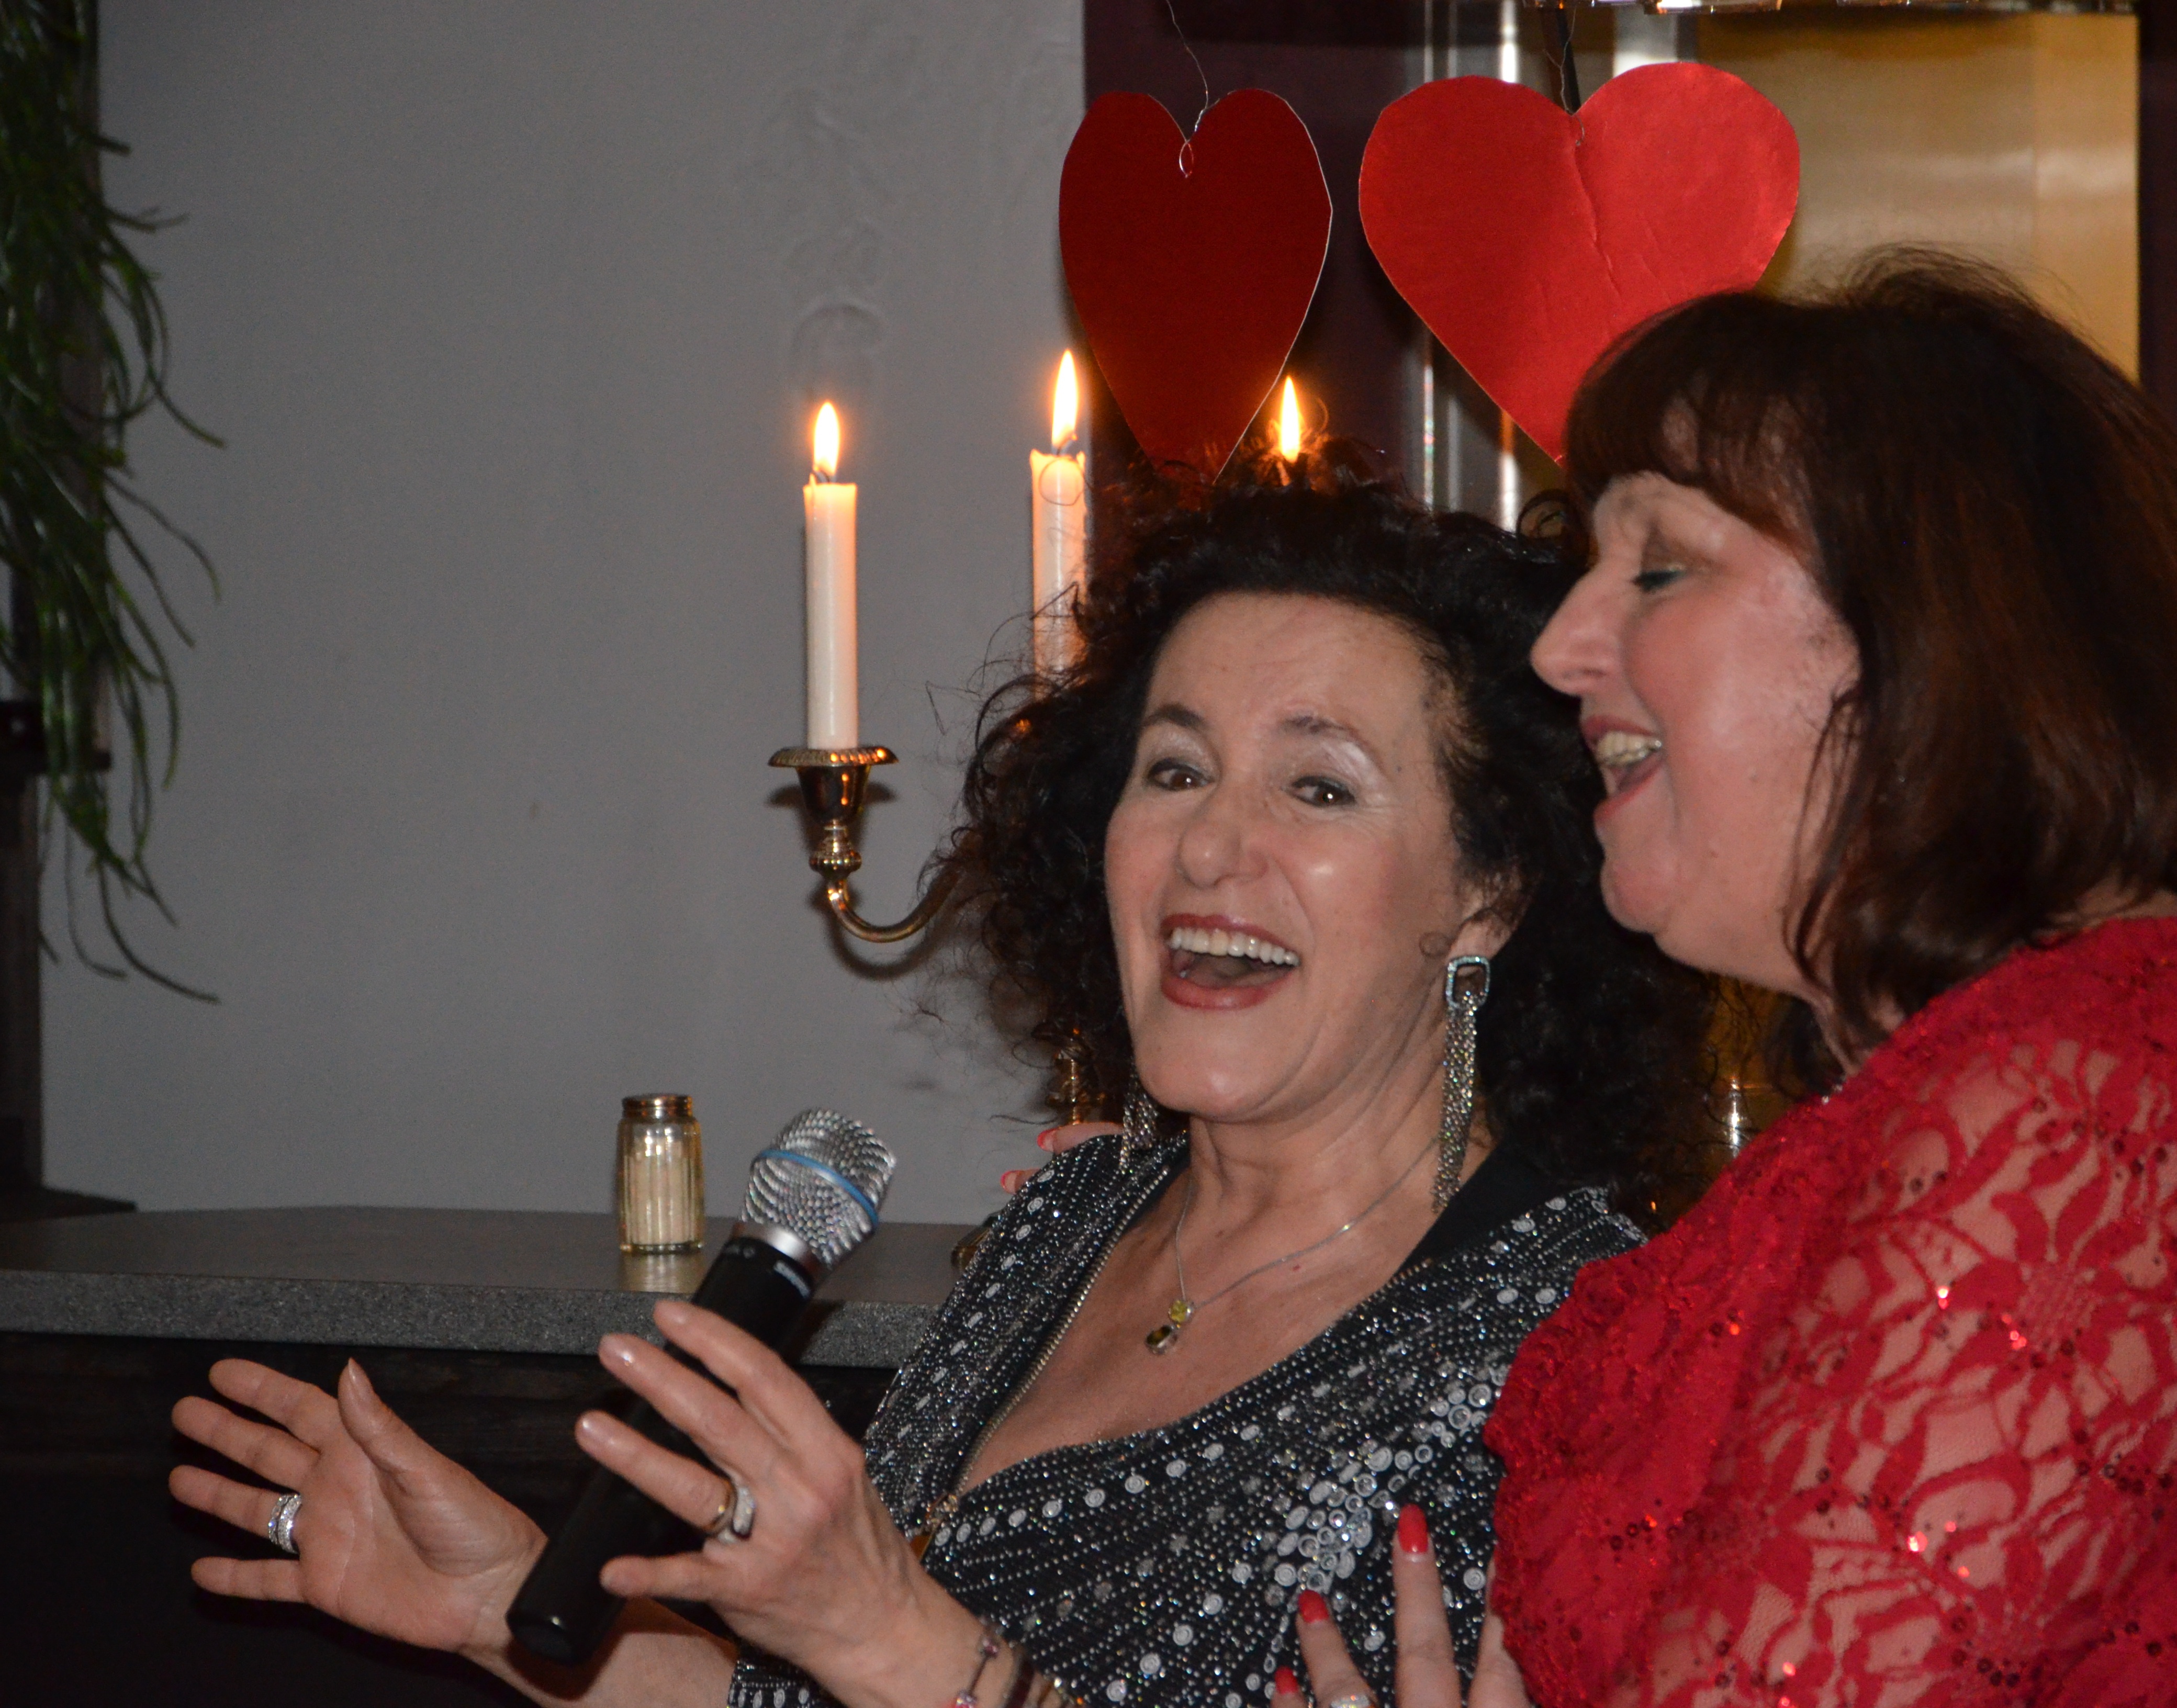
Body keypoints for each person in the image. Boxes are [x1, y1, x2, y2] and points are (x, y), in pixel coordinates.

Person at [170, 459, 1709, 1706]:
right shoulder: (1075, 1220)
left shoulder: (1576, 1343)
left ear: (1491, 891)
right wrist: (509, 1605)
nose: (1209, 848)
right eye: (1175, 770)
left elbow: (886, 1657)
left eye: (1318, 787)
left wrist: (890, 1634)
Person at [1291, 252, 2177, 1707]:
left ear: (1923, 631)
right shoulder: (1934, 1106)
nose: (1560, 647)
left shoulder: (2072, 1102)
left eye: (1662, 569)